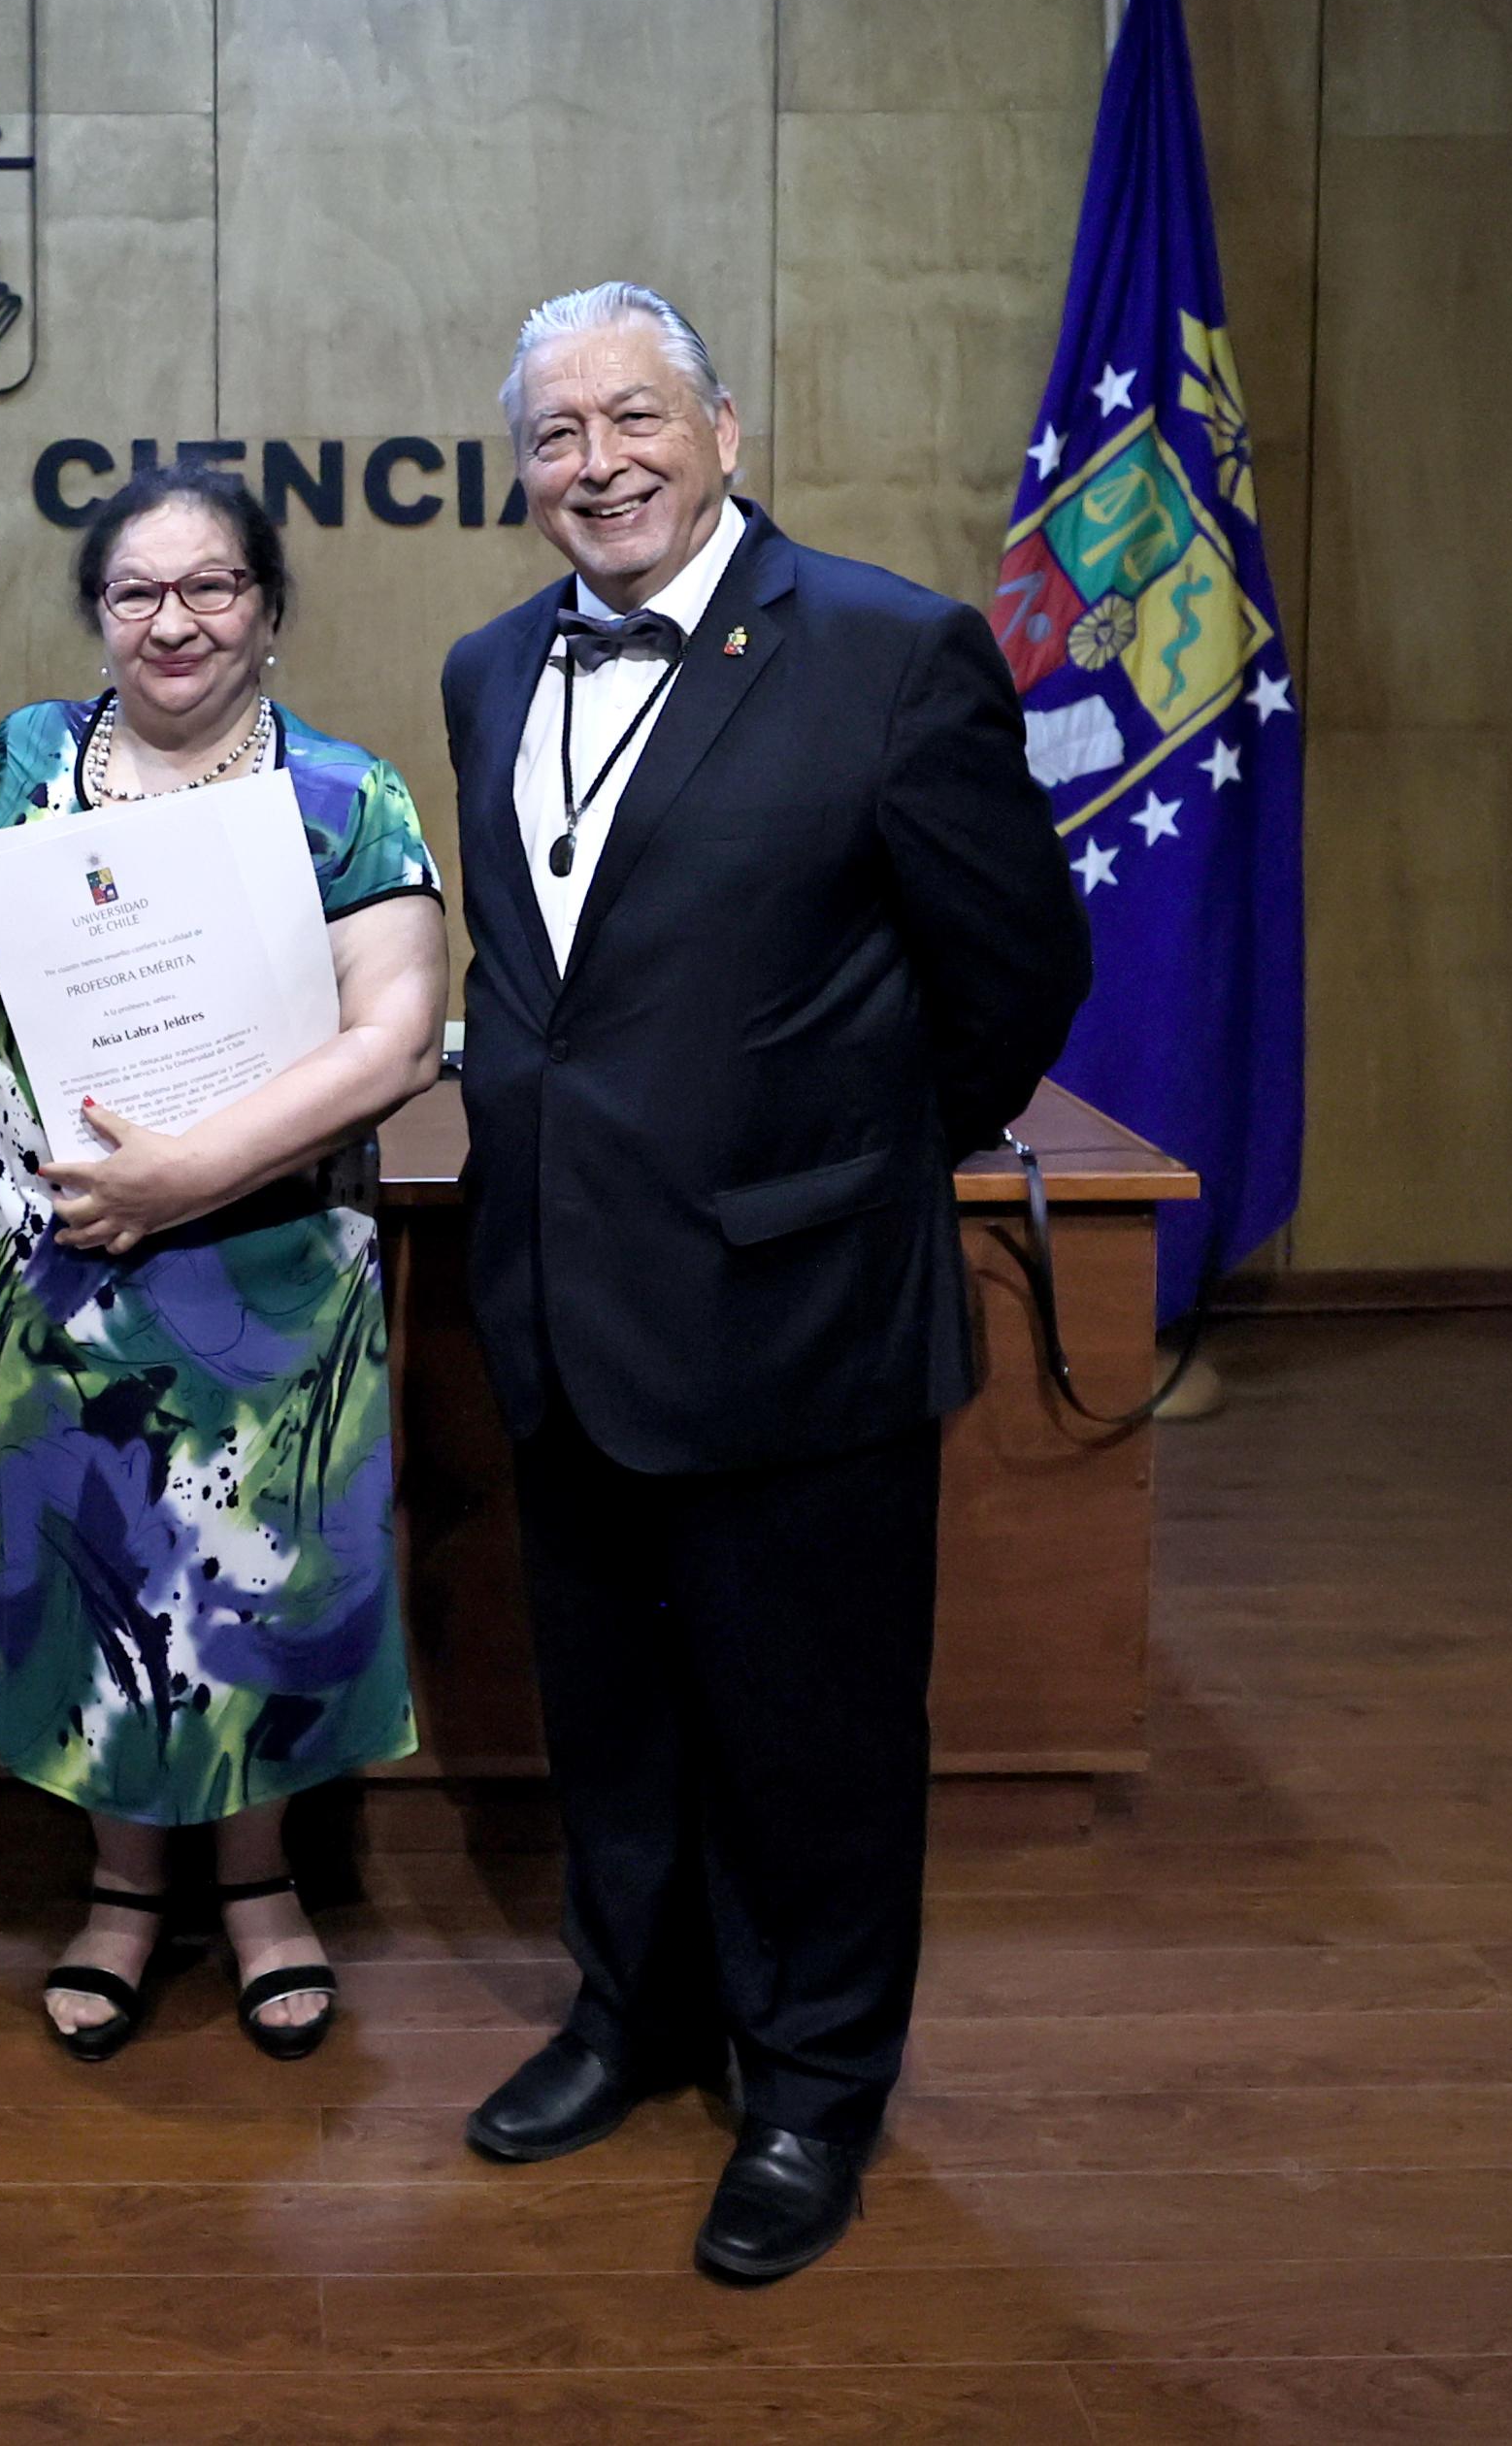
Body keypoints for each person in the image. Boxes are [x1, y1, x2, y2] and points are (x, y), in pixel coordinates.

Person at [441, 282, 1089, 2282]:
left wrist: (845, 1171)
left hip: (796, 1318)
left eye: (633, 416)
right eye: (555, 433)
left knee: (808, 1730)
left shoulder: (890, 654)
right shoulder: (482, 670)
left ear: (728, 428)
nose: (596, 462)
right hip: (563, 1299)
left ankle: (814, 2087)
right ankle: (635, 2017)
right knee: (616, 1711)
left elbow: (1016, 972)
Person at [0, 463, 448, 2066]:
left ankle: (261, 1892)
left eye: (212, 587)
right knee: (96, 1584)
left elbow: (398, 1039)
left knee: (260, 1590)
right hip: (58, 1280)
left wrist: (188, 1175)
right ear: (98, 618)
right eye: (136, 593)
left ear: (270, 612)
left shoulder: (348, 796)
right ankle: (114, 1893)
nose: (174, 621)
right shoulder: (12, 770)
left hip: (272, 1275)